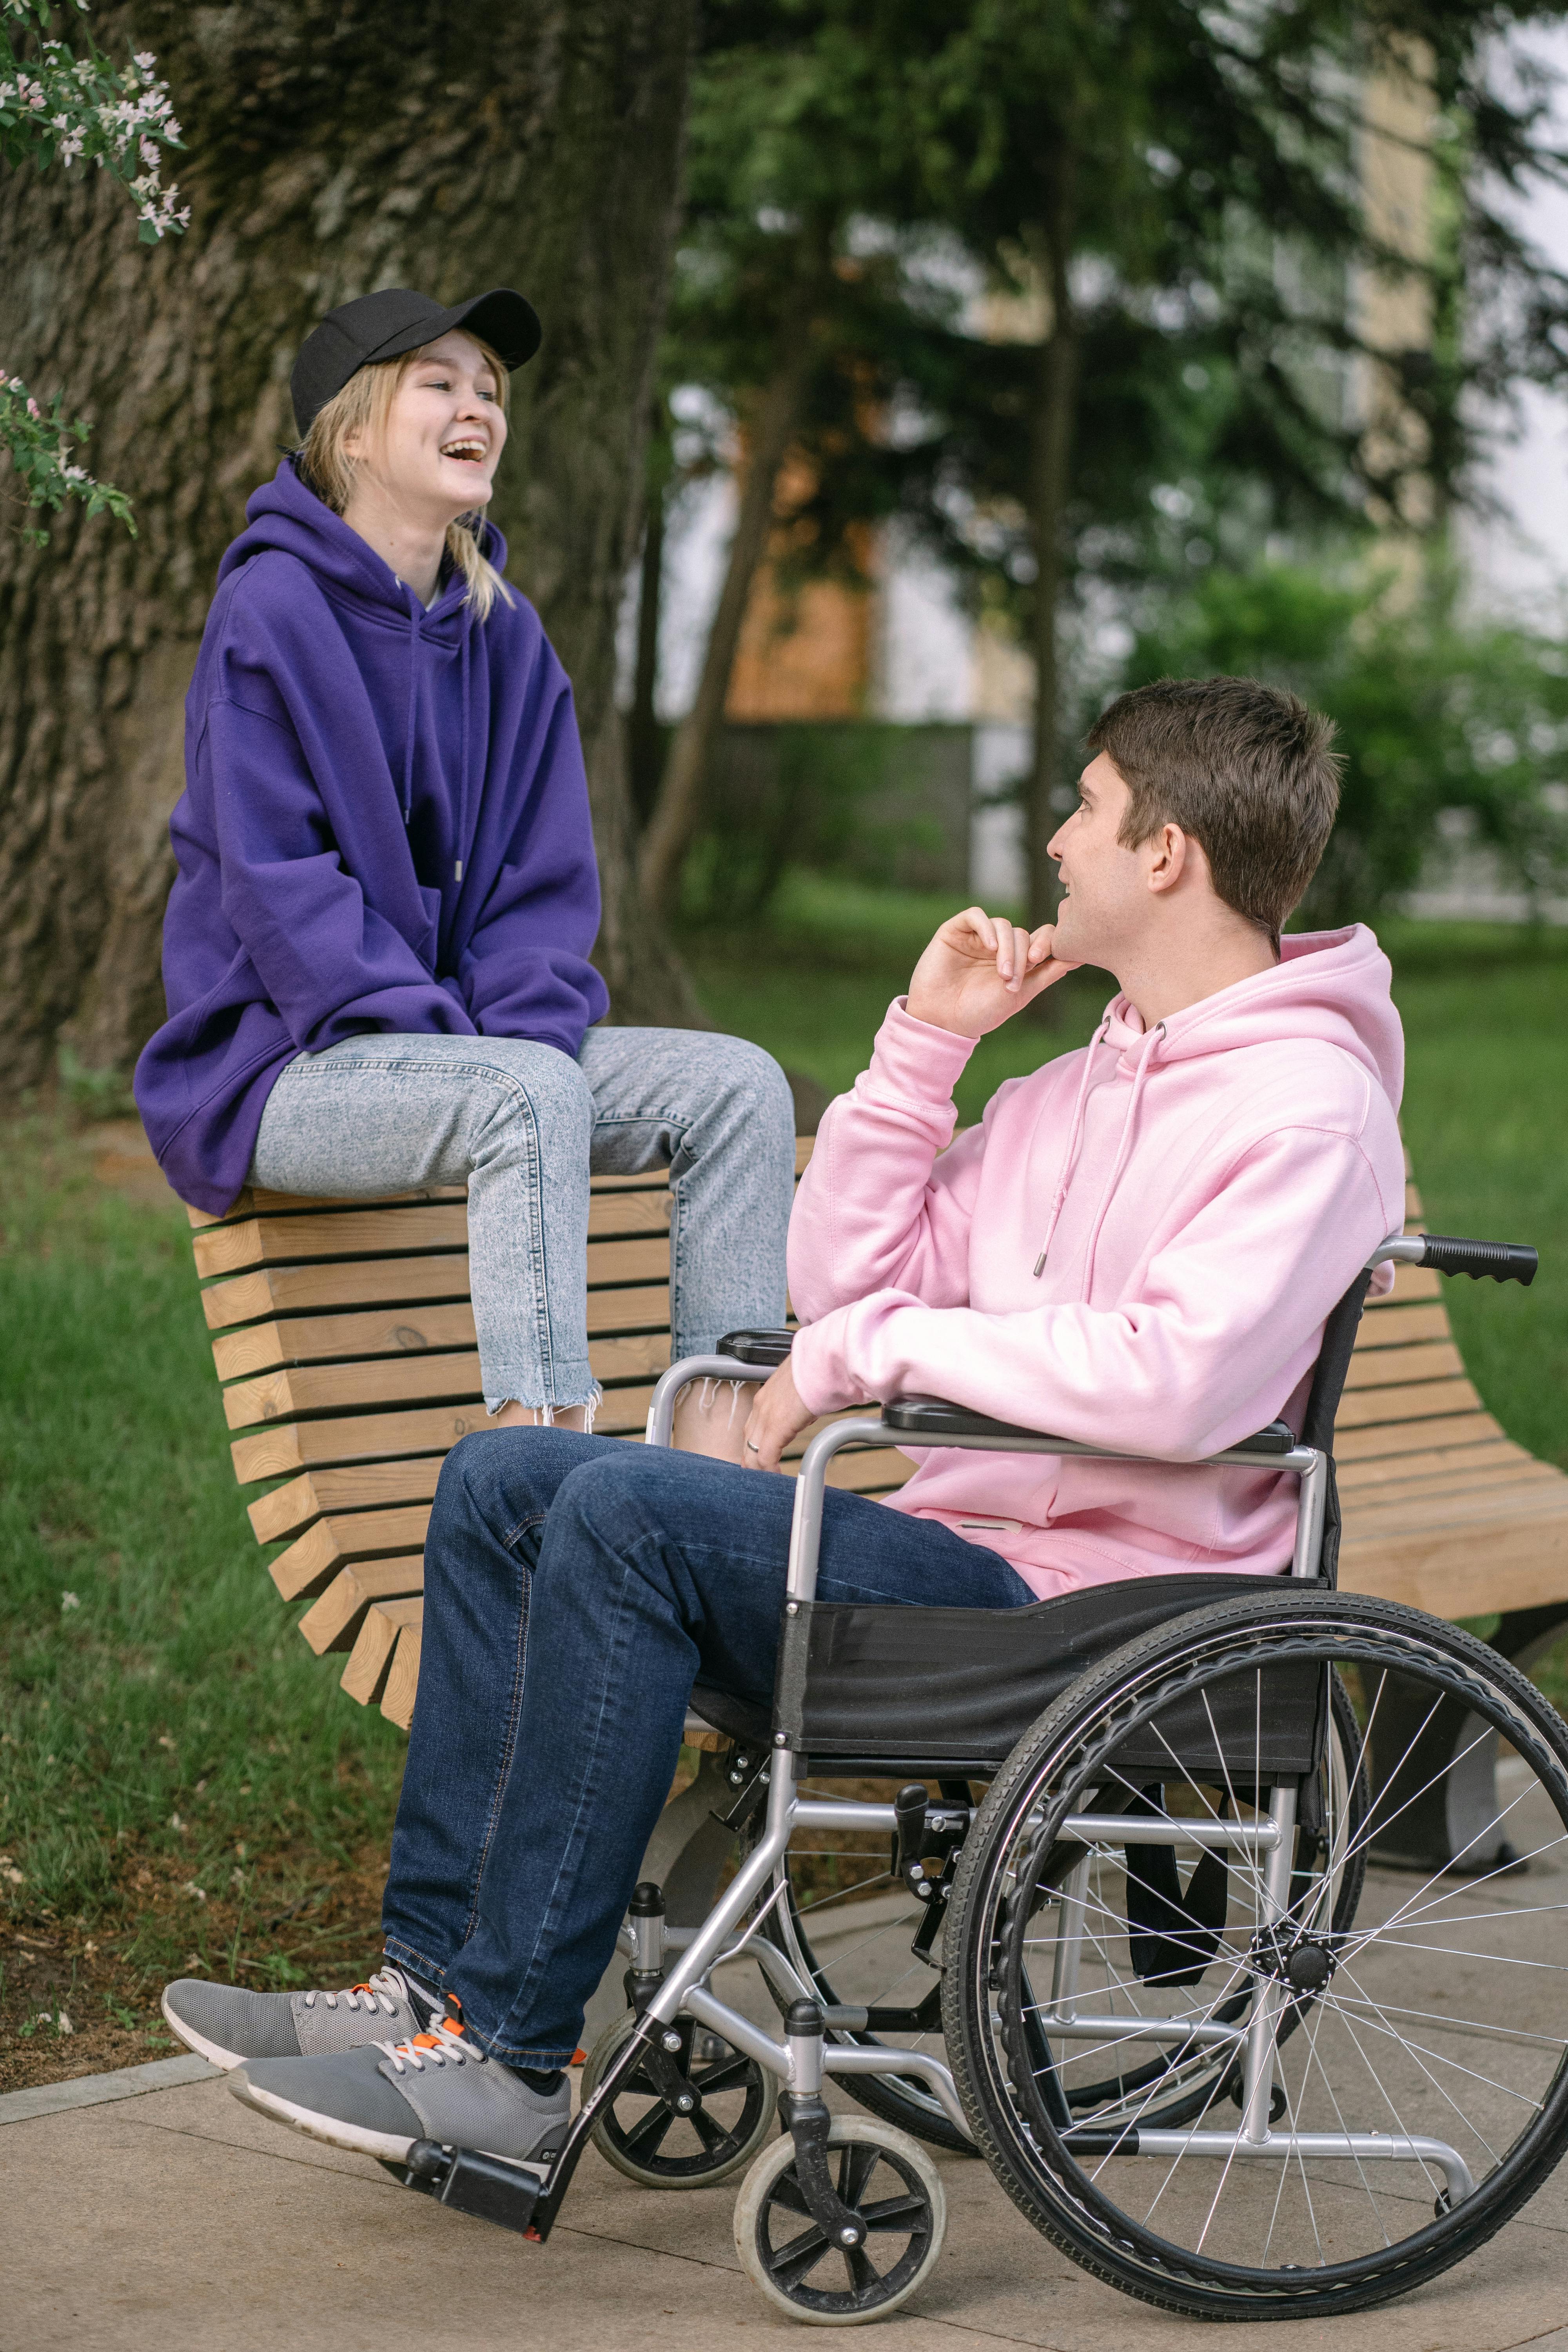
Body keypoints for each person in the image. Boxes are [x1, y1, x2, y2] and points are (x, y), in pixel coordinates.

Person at [161, 674, 1406, 2172]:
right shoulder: (1073, 1087)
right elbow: (839, 1283)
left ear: (1168, 853)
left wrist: (851, 1362)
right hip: (959, 1551)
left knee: (626, 1512)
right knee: (505, 1479)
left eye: (1084, 807)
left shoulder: (1307, 1106)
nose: (1056, 843)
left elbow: (1180, 1380)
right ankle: (428, 1992)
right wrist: (926, 1051)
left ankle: (508, 2064)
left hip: (1100, 1612)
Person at [133, 286, 795, 1453]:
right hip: (282, 1064)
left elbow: (544, 893)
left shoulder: (508, 633)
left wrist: (507, 1030)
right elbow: (280, 889)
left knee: (738, 1086)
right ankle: (535, 1476)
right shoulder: (271, 609)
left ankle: (714, 1483)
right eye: (438, 382)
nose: (476, 405)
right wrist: (467, 1050)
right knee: (522, 1094)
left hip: (460, 1059)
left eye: (490, 388)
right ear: (352, 432)